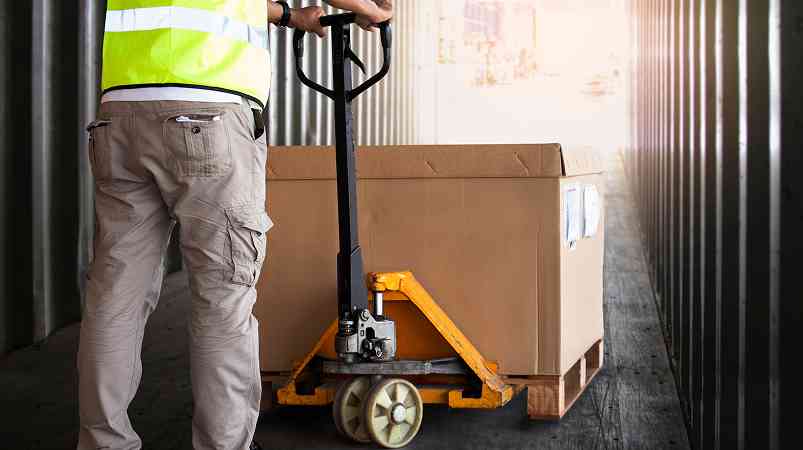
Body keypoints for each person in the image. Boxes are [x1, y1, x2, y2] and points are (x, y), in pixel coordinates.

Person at [77, 1, 392, 449]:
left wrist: (287, 16)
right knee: (223, 296)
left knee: (115, 295)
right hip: (208, 110)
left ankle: (102, 443)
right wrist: (367, 9)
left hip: (121, 113)